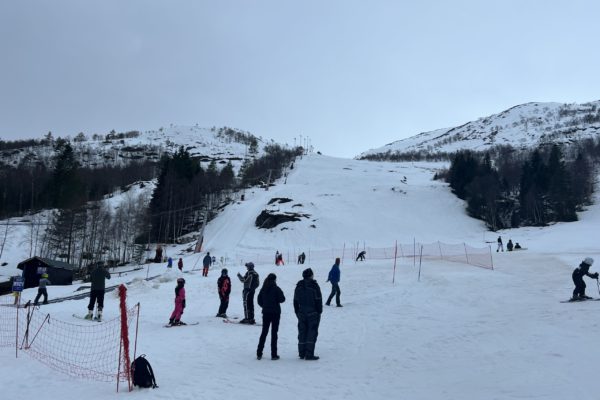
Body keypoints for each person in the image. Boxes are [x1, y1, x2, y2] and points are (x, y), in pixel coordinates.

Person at [293, 268, 323, 360]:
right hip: (313, 313)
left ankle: (302, 353)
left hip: (301, 312)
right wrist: (319, 311)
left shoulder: (299, 286)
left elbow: (295, 300)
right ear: (311, 276)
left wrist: (297, 311)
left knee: (302, 332)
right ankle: (309, 354)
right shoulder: (314, 286)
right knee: (312, 333)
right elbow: (318, 300)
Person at [256, 273, 286, 360]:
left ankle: (259, 353)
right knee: (274, 333)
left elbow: (259, 300)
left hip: (266, 312)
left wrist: (264, 306)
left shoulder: (263, 288)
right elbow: (282, 299)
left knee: (264, 332)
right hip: (275, 313)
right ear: (275, 279)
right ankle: (274, 354)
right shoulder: (276, 288)